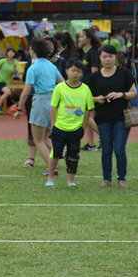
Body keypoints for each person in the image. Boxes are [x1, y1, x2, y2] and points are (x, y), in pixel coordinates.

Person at [88, 45, 137, 189]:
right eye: (104, 56)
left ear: (115, 57)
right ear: (100, 58)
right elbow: (88, 97)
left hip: (122, 117)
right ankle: (106, 179)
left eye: (110, 56)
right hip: (103, 118)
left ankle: (121, 179)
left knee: (120, 149)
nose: (107, 59)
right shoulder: (95, 76)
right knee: (106, 150)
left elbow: (133, 93)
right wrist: (97, 99)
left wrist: (121, 94)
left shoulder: (124, 73)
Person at [14, 37, 64, 173]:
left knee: (38, 140)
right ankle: (62, 153)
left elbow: (25, 92)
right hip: (53, 102)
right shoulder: (51, 65)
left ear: (33, 51)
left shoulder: (33, 68)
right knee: (47, 137)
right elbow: (63, 83)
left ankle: (51, 168)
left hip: (41, 101)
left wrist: (19, 109)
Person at [45, 59, 94, 188]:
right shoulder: (59, 87)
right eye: (73, 70)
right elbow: (54, 107)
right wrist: (54, 124)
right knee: (55, 153)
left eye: (78, 71)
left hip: (76, 128)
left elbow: (89, 109)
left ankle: (70, 180)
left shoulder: (85, 89)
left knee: (73, 154)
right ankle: (50, 179)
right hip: (60, 127)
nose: (75, 74)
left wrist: (82, 127)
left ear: (82, 73)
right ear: (66, 71)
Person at [79, 28, 102, 151]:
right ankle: (91, 144)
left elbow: (94, 72)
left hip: (89, 87)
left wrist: (93, 88)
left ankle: (105, 137)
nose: (79, 39)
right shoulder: (86, 52)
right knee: (87, 115)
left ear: (88, 38)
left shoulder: (92, 52)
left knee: (84, 116)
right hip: (85, 86)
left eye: (82, 36)